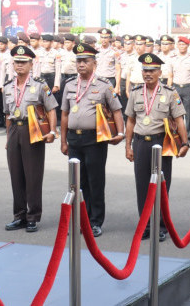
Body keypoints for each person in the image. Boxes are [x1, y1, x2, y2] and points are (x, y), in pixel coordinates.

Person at [60, 42, 124, 237]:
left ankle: (95, 221)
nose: (81, 65)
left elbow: (117, 111)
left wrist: (120, 134)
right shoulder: (70, 85)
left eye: (85, 61)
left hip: (95, 139)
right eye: (78, 61)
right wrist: (63, 141)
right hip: (74, 139)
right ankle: (80, 218)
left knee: (95, 181)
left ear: (94, 64)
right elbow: (64, 114)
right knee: (76, 182)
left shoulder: (104, 85)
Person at [125, 52, 189, 241]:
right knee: (142, 185)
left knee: (161, 185)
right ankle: (144, 224)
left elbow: (179, 119)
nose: (148, 74)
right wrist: (128, 146)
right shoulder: (136, 93)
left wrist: (184, 143)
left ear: (159, 72)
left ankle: (161, 225)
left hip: (161, 143)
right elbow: (130, 121)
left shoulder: (170, 93)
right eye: (145, 70)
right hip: (140, 143)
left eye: (152, 70)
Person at [3, 45, 58, 232]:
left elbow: (51, 109)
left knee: (33, 175)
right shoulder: (8, 87)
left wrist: (52, 131)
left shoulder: (40, 85)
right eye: (16, 62)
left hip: (32, 130)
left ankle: (33, 215)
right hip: (14, 131)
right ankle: (19, 215)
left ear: (31, 64)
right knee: (15, 174)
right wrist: (7, 138)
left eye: (23, 62)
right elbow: (7, 114)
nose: (19, 65)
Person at [171, 36, 190, 141]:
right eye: (180, 44)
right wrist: (169, 90)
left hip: (188, 88)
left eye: (184, 44)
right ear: (177, 45)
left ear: (188, 46)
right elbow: (170, 76)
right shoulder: (173, 59)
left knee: (188, 114)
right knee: (175, 113)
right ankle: (177, 135)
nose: (182, 46)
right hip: (176, 88)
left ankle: (187, 137)